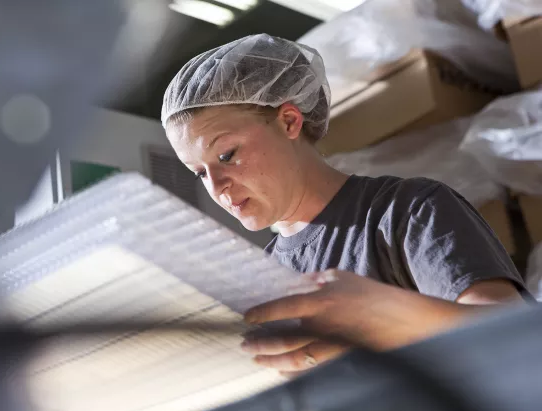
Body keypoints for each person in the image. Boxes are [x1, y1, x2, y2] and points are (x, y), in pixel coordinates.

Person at [160, 34, 531, 377]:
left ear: (289, 120)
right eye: (200, 173)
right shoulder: (266, 278)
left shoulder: (406, 211)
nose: (218, 187)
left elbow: (512, 336)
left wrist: (387, 320)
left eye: (227, 154)